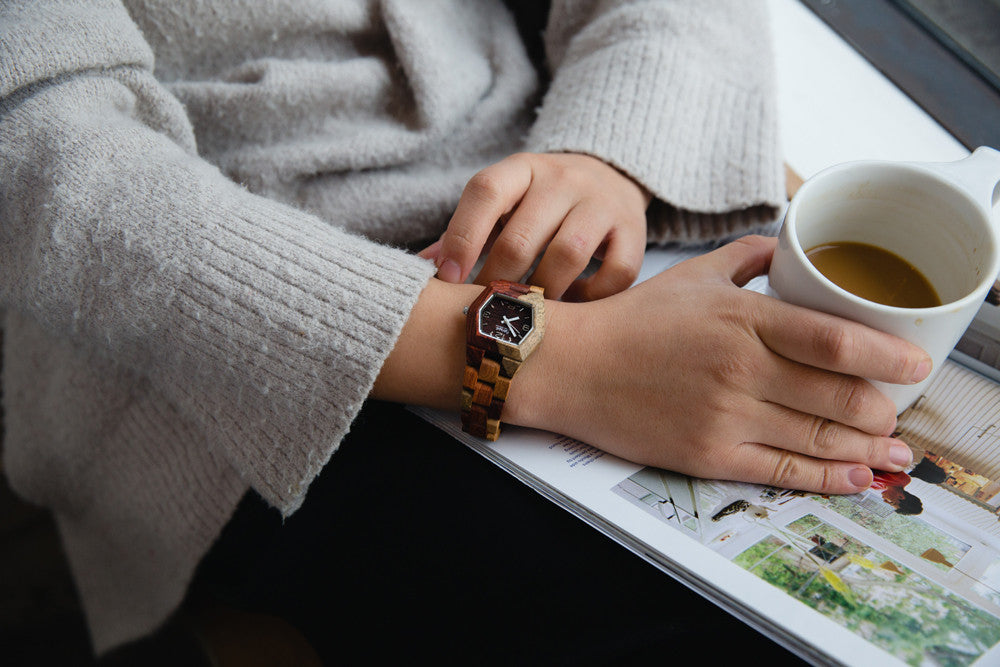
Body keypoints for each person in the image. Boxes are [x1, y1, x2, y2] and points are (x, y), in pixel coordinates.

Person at [0, 0, 930, 662]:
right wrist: (542, 355)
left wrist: (603, 152)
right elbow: (44, 155)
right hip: (254, 364)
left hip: (594, 215)